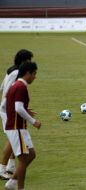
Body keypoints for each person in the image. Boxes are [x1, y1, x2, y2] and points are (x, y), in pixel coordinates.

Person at [4, 61, 41, 190]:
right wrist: (33, 121)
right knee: (24, 159)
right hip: (16, 128)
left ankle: (12, 182)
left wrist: (25, 109)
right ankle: (20, 188)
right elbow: (18, 108)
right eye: (34, 74)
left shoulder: (15, 85)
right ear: (27, 73)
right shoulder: (21, 87)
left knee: (31, 154)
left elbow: (6, 106)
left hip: (18, 127)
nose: (35, 77)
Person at [0, 49, 33, 180]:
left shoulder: (11, 70)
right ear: (24, 61)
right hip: (8, 110)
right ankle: (2, 168)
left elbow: (1, 87)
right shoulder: (15, 73)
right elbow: (8, 91)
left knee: (16, 138)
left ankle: (10, 166)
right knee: (13, 138)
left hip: (10, 108)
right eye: (29, 60)